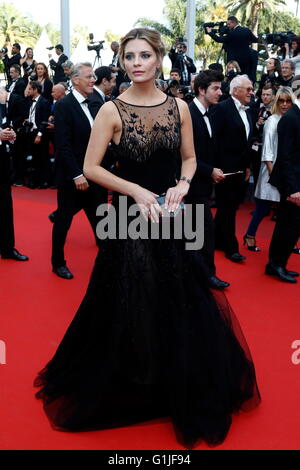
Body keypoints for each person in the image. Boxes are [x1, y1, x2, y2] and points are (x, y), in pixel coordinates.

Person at [35, 28, 260, 448]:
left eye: (144, 55)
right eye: (129, 56)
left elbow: (190, 158)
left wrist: (183, 184)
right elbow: (92, 167)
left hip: (172, 215)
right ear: (122, 62)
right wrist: (135, 190)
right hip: (127, 217)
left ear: (159, 60)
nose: (136, 62)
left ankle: (172, 379)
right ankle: (137, 380)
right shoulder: (110, 110)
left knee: (177, 295)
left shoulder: (179, 108)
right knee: (130, 296)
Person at [50, 62, 105, 280]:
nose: (93, 80)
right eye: (89, 76)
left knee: (101, 221)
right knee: (63, 221)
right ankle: (58, 263)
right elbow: (63, 145)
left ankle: (109, 263)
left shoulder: (95, 102)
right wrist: (77, 175)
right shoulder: (64, 105)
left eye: (94, 76)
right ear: (75, 80)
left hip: (95, 175)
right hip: (73, 178)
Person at [187, 69, 229, 290]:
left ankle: (199, 275)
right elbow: (185, 154)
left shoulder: (211, 113)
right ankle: (205, 276)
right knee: (201, 233)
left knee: (199, 232)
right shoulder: (189, 114)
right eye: (216, 88)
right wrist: (209, 170)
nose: (220, 93)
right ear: (201, 90)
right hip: (190, 185)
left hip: (202, 183)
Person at [244, 87, 295, 252]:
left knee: (288, 211)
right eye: (282, 101)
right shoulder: (272, 121)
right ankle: (250, 235)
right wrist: (276, 176)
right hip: (271, 171)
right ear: (276, 102)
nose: (285, 104)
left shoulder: (292, 120)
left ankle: (289, 242)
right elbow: (267, 153)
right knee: (262, 208)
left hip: (287, 173)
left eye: (288, 101)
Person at [212, 74, 254, 262]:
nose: (252, 92)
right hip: (224, 170)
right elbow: (214, 140)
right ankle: (231, 247)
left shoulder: (249, 110)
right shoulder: (221, 109)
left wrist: (247, 167)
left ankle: (215, 239)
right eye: (249, 89)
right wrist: (215, 168)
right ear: (236, 90)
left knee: (228, 208)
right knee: (227, 208)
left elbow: (248, 141)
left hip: (240, 170)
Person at [265, 76, 300, 283]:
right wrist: (294, 189)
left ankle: (277, 263)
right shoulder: (290, 119)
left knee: (291, 225)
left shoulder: (296, 116)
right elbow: (285, 156)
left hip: (294, 181)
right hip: (291, 184)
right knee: (289, 225)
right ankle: (276, 264)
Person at [0, 125, 29, 262]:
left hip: (3, 166)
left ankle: (7, 248)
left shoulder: (2, 107)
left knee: (6, 208)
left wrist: (11, 136)